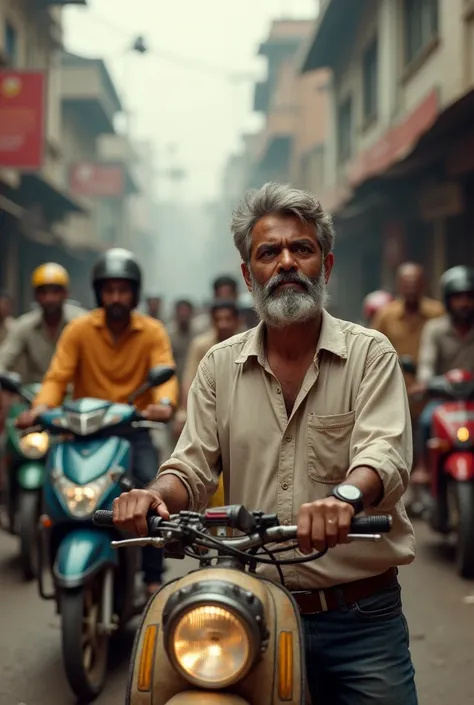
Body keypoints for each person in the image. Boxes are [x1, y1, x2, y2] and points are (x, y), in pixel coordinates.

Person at [112, 183, 417, 705]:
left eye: (302, 249)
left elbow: (383, 454)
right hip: (248, 607)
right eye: (269, 252)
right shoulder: (217, 366)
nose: (286, 263)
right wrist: (156, 494)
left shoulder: (372, 355)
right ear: (248, 273)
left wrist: (342, 501)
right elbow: (190, 467)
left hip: (361, 618)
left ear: (327, 264)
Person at [17, 248, 179, 595]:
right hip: (83, 431)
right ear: (99, 293)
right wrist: (40, 408)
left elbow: (164, 373)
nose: (116, 297)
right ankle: (56, 545)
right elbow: (57, 377)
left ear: (134, 293)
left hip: (132, 429)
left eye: (123, 290)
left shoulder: (152, 331)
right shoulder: (79, 330)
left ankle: (151, 576)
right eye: (109, 290)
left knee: (152, 488)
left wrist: (164, 404)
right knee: (56, 481)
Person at [372, 263, 444, 512]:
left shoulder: (437, 313)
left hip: (431, 391)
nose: (411, 287)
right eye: (406, 283)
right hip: (396, 391)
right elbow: (371, 347)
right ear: (399, 286)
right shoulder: (386, 315)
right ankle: (401, 494)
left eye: (416, 282)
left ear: (423, 284)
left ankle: (433, 491)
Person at [413, 265, 474, 486]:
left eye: (469, 297)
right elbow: (427, 364)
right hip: (444, 399)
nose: (464, 303)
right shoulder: (435, 329)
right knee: (427, 419)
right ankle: (424, 468)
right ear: (448, 300)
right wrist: (427, 382)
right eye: (458, 297)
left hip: (472, 400)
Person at [0, 264, 85, 383]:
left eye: (55, 292)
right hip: (35, 397)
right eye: (43, 292)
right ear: (35, 295)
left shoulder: (81, 322)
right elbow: (4, 359)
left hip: (74, 396)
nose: (49, 298)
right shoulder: (25, 326)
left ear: (65, 294)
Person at [166, 299, 195, 385]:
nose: (183, 315)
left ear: (191, 313)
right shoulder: (168, 335)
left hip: (194, 379)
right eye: (181, 312)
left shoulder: (198, 335)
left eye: (186, 312)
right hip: (174, 380)